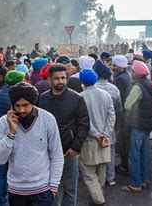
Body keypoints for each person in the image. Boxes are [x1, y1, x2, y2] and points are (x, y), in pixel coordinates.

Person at [0, 82, 64, 206]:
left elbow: (56, 155)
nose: (21, 110)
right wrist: (10, 133)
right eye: (17, 106)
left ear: (33, 103)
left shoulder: (47, 119)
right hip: (16, 190)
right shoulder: (4, 122)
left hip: (43, 190)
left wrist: (53, 186)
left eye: (26, 105)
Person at [38, 64, 90, 206]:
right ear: (49, 80)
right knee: (50, 189)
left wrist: (76, 147)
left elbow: (84, 124)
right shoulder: (42, 99)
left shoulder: (76, 98)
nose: (60, 81)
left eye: (63, 78)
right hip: (47, 153)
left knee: (70, 189)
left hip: (69, 152)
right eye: (56, 78)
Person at [0, 70, 25, 206]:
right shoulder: (24, 99)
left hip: (1, 139)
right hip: (18, 140)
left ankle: (2, 202)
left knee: (1, 174)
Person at [79, 69, 116, 205]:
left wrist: (96, 134)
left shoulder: (80, 96)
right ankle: (98, 197)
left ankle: (99, 200)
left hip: (89, 141)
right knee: (101, 171)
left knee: (88, 173)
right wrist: (105, 133)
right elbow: (112, 115)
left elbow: (84, 121)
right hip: (105, 139)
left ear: (82, 81)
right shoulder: (105, 95)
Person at [120, 60, 152, 193]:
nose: (132, 73)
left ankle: (135, 183)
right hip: (147, 124)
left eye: (133, 71)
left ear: (138, 73)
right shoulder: (150, 84)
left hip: (138, 124)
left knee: (134, 155)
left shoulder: (137, 87)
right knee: (145, 153)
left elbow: (127, 105)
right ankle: (145, 180)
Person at [94, 60, 122, 186]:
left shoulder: (89, 89)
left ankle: (98, 179)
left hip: (93, 126)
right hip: (110, 126)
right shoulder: (114, 89)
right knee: (110, 153)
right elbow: (118, 110)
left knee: (96, 154)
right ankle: (110, 178)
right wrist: (116, 126)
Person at [111, 55, 133, 175]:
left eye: (114, 66)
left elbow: (118, 100)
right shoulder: (127, 75)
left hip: (122, 114)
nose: (112, 68)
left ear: (120, 67)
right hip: (127, 113)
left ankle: (124, 166)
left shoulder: (119, 79)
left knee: (122, 141)